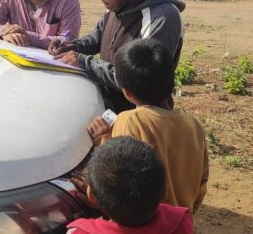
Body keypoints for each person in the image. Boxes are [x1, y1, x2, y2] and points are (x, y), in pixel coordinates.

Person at [49, 0, 185, 113]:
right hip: (111, 106)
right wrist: (74, 46)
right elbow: (98, 37)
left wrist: (84, 62)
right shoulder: (117, 5)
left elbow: (138, 80)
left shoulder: (162, 16)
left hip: (141, 117)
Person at [86, 39, 209, 215]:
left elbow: (118, 183)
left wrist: (102, 139)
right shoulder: (194, 126)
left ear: (126, 91)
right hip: (179, 221)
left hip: (145, 224)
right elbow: (202, 182)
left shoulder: (129, 121)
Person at [66, 136, 193, 234]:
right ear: (165, 190)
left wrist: (104, 199)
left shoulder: (78, 232)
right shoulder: (180, 222)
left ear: (91, 196)